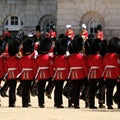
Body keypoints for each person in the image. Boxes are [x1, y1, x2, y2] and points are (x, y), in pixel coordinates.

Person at [67, 36, 88, 109]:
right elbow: (85, 67)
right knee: (87, 86)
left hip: (73, 75)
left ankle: (76, 104)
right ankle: (86, 100)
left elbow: (68, 67)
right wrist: (87, 75)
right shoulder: (82, 56)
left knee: (76, 90)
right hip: (82, 74)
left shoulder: (70, 57)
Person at [18, 38, 36, 107]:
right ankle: (26, 102)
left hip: (23, 75)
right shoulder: (32, 59)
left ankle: (25, 103)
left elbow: (19, 68)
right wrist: (35, 75)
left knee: (25, 89)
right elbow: (34, 68)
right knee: (27, 89)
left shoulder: (21, 58)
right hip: (30, 75)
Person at [35, 37, 53, 108]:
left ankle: (41, 103)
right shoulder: (48, 57)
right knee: (52, 82)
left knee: (40, 89)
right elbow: (51, 68)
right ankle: (48, 90)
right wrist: (52, 75)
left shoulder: (38, 57)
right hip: (47, 74)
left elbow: (36, 67)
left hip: (40, 74)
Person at [102, 37, 119, 109]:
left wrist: (104, 76)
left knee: (109, 90)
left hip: (108, 74)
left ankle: (109, 104)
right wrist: (118, 76)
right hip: (115, 74)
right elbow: (118, 67)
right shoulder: (116, 56)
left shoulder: (106, 56)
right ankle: (118, 102)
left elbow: (104, 66)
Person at [4, 38, 21, 107]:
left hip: (9, 74)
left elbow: (5, 68)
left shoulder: (7, 59)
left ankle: (11, 102)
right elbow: (19, 68)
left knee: (11, 88)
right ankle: (13, 101)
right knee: (13, 88)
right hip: (15, 74)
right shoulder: (17, 59)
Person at [53, 38, 69, 108]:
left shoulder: (55, 58)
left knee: (57, 88)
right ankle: (59, 103)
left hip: (56, 74)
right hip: (62, 74)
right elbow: (67, 67)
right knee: (60, 88)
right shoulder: (65, 58)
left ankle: (56, 102)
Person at [87, 38, 103, 109]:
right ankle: (100, 100)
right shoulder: (99, 57)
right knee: (99, 88)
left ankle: (91, 104)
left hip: (91, 74)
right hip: (99, 73)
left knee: (91, 90)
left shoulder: (89, 57)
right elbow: (101, 67)